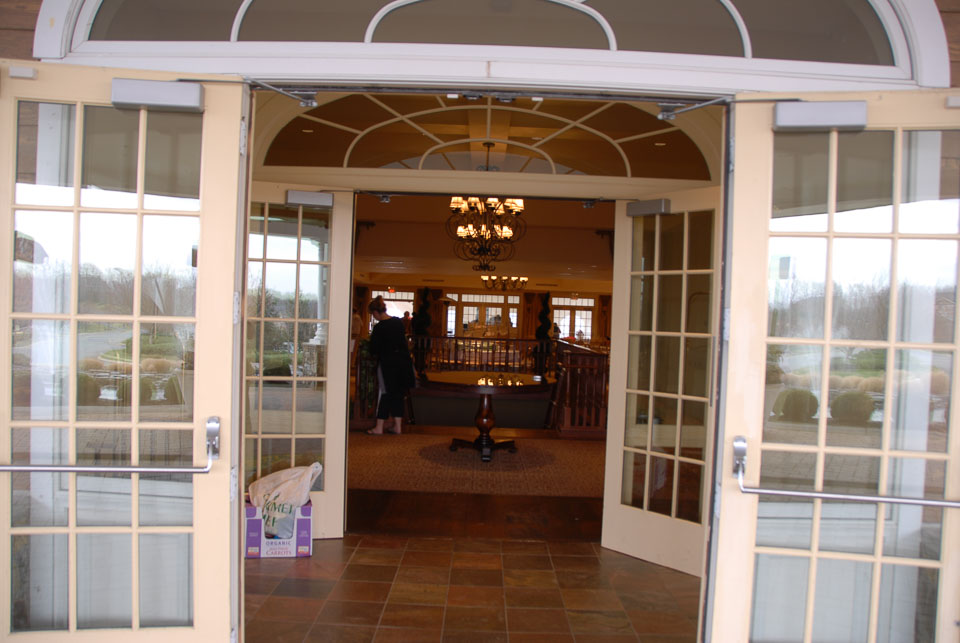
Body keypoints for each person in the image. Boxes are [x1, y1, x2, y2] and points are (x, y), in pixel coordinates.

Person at [367, 296, 415, 435]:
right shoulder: (397, 322)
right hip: (402, 362)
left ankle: (379, 427)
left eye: (373, 314)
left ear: (375, 312)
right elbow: (404, 343)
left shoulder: (379, 328)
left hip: (387, 363)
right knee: (398, 393)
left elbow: (373, 349)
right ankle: (398, 426)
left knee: (386, 393)